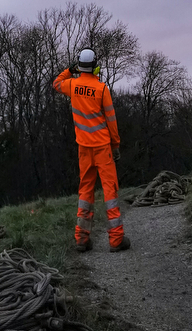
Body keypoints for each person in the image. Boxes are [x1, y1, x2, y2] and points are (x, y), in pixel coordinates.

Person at [52, 48, 130, 252]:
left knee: (85, 191)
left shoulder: (72, 85)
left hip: (84, 148)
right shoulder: (102, 89)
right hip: (103, 147)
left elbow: (56, 83)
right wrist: (115, 145)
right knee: (110, 191)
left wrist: (70, 70)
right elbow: (111, 120)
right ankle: (116, 240)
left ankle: (81, 239)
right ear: (95, 65)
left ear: (79, 66)